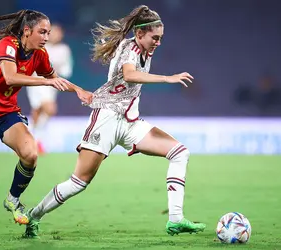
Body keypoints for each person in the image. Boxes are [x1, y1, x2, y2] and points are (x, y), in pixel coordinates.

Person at [22, 5, 206, 238]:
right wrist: (167, 78)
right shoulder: (129, 47)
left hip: (130, 122)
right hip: (106, 118)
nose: (158, 43)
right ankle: (34, 216)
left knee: (180, 152)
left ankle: (176, 219)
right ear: (140, 34)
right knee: (79, 182)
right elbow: (129, 74)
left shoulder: (145, 49)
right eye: (155, 38)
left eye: (161, 38)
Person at [0, 9, 93, 237]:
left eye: (48, 33)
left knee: (30, 154)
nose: (46, 37)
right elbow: (11, 77)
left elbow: (54, 79)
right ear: (27, 31)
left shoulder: (40, 54)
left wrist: (79, 90)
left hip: (6, 113)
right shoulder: (6, 46)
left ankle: (13, 199)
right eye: (42, 32)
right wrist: (45, 82)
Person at [26, 24, 73, 154]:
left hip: (52, 84)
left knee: (39, 111)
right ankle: (34, 141)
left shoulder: (64, 49)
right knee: (48, 109)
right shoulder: (39, 47)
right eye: (53, 33)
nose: (55, 35)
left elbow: (67, 68)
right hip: (37, 82)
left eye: (58, 33)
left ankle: (30, 140)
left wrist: (61, 73)